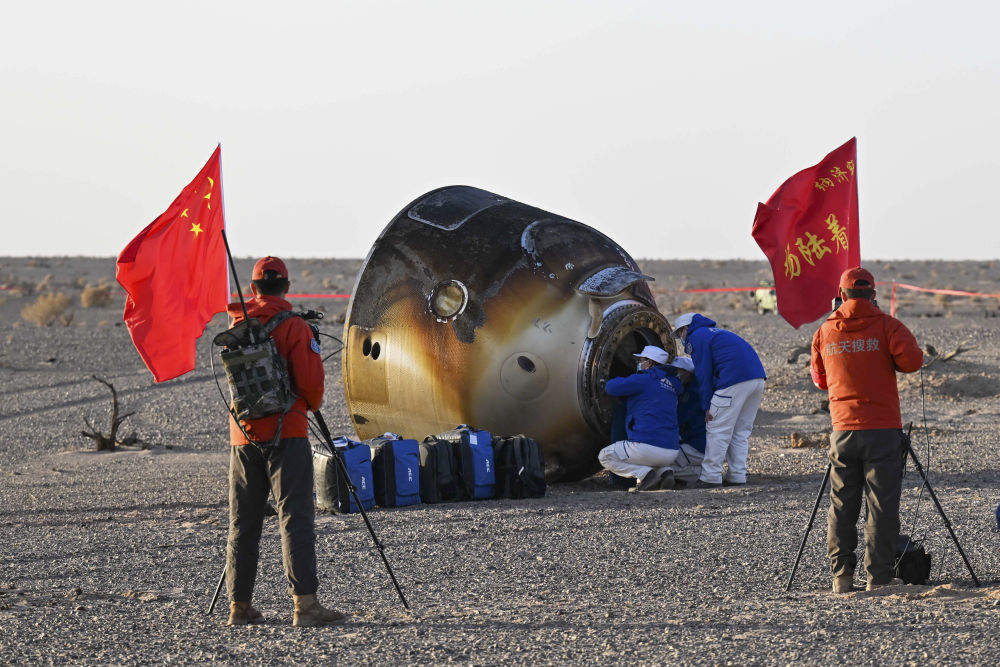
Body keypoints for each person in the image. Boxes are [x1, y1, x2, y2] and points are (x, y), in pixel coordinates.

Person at [224, 256, 344, 627]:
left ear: (254, 289)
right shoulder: (294, 328)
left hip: (242, 435)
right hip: (287, 432)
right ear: (286, 287)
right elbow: (311, 390)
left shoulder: (237, 325)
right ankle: (305, 606)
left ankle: (239, 607)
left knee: (243, 522)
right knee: (295, 517)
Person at [811, 267, 923, 593]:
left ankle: (841, 577)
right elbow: (913, 361)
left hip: (842, 430)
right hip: (882, 429)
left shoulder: (824, 331)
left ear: (842, 295)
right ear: (873, 294)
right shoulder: (888, 326)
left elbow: (820, 381)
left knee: (842, 505)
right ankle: (879, 578)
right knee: (882, 506)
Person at [672, 313, 766, 488]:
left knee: (717, 430)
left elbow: (703, 373)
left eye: (679, 334)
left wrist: (706, 405)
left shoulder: (697, 337)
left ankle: (710, 477)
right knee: (740, 432)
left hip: (733, 381)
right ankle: (737, 475)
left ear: (686, 328)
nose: (680, 339)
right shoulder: (716, 333)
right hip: (757, 379)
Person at [597, 345, 683, 491]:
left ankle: (644, 474)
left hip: (647, 447)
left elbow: (611, 387)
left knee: (605, 456)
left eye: (642, 360)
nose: (639, 363)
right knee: (649, 456)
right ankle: (664, 472)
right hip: (672, 451)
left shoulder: (643, 379)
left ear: (649, 363)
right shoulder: (673, 385)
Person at [665, 356, 706, 485]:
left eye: (679, 371)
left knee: (661, 463)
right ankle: (701, 472)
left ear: (689, 373)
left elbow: (680, 419)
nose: (676, 374)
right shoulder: (690, 389)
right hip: (699, 445)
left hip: (697, 446)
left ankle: (702, 474)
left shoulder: (693, 395)